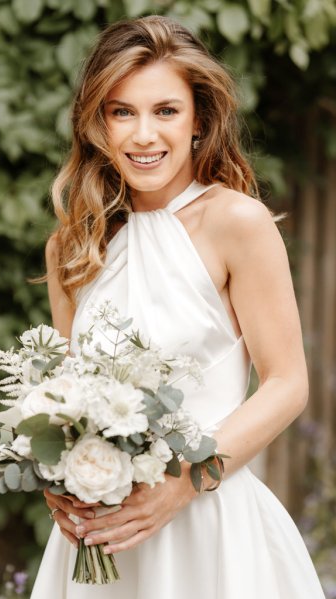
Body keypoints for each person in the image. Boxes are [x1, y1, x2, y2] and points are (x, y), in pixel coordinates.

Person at [30, 15, 326, 599]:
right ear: (99, 125)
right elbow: (66, 402)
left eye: (165, 110)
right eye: (123, 112)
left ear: (199, 121)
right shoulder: (71, 247)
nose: (144, 135)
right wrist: (58, 479)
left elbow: (288, 384)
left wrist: (182, 486)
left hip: (209, 525)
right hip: (102, 540)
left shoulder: (237, 222)